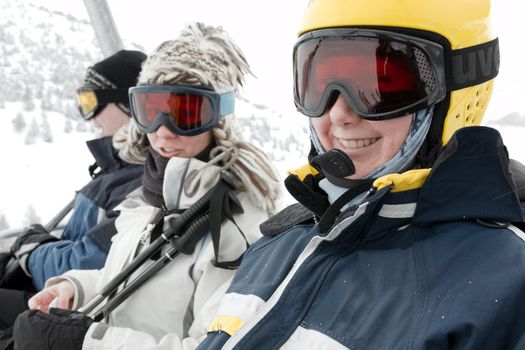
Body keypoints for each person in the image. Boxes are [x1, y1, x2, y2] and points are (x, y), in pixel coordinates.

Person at [197, 0, 525, 349]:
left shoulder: (504, 283)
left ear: (454, 94)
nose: (339, 113)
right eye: (319, 83)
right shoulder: (277, 243)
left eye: (379, 85)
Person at [10, 22, 281, 350]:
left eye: (187, 112)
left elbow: (212, 346)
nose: (164, 131)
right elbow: (132, 284)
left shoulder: (239, 229)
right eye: (151, 110)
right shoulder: (151, 199)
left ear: (219, 118)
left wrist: (87, 343)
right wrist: (76, 288)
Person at [0, 49, 146, 330]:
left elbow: (87, 263)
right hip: (57, 291)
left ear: (129, 105)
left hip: (75, 305)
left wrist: (34, 249)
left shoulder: (139, 183)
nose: (90, 118)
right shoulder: (115, 171)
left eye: (92, 102)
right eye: (83, 102)